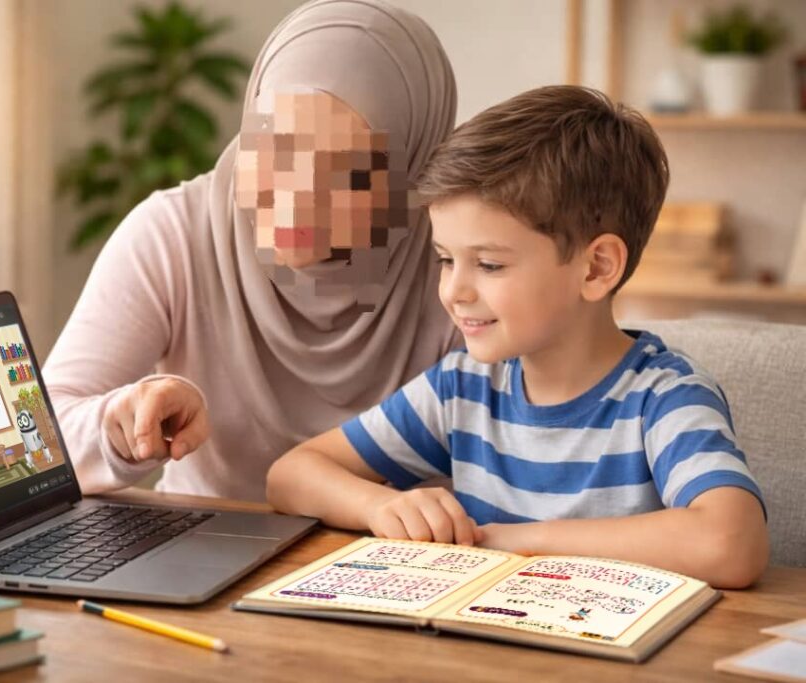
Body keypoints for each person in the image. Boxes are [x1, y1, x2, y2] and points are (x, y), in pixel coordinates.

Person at [265, 85, 769, 588]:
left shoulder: (665, 398)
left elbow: (730, 544)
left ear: (596, 268)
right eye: (446, 259)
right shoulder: (462, 388)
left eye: (489, 264)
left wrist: (520, 542)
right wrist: (380, 505)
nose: (454, 291)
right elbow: (290, 476)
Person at [43, 0, 459, 500]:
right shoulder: (177, 233)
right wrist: (119, 423)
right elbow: (43, 438)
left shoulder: (458, 259)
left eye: (348, 171)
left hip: (404, 545)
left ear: (409, 172)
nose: (296, 198)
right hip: (205, 537)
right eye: (274, 145)